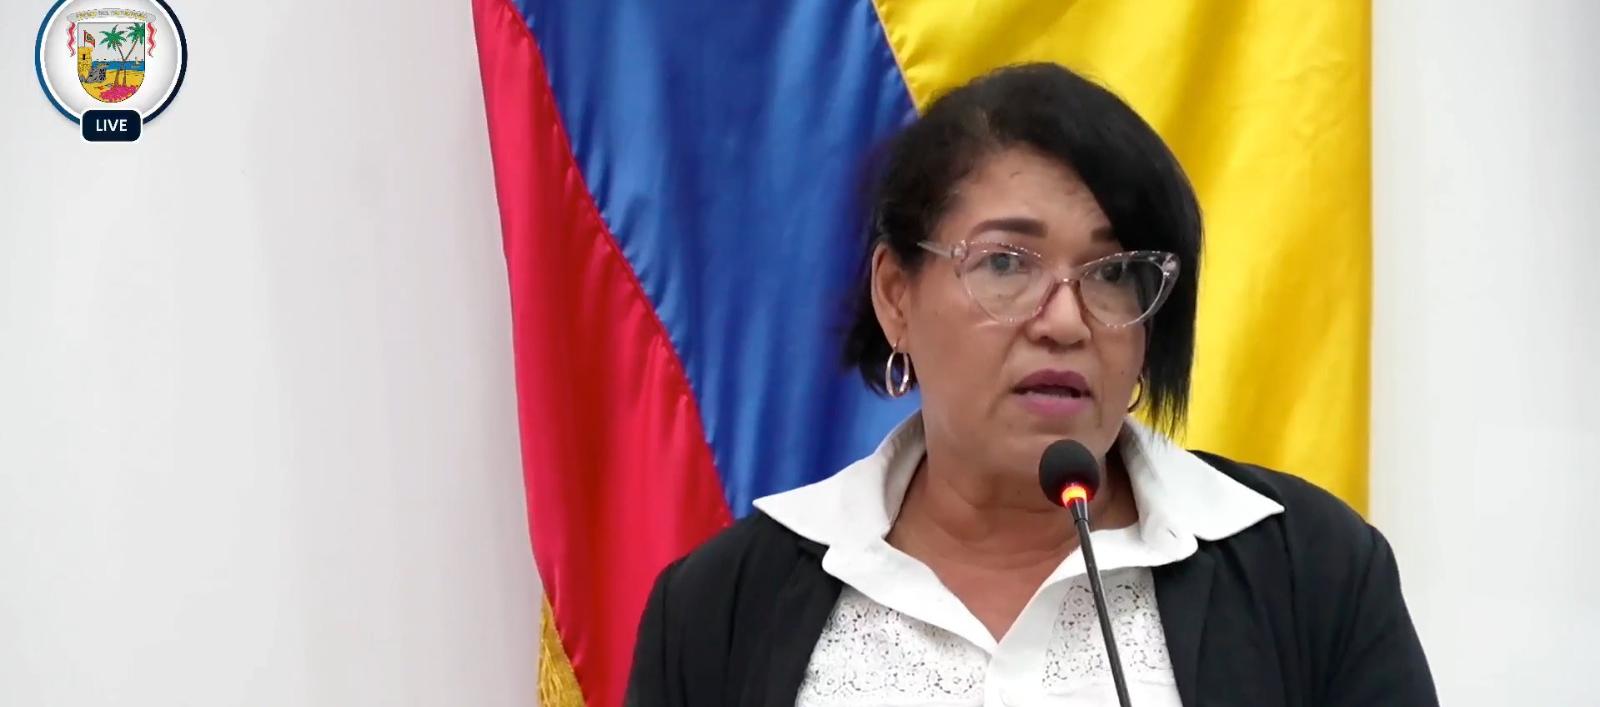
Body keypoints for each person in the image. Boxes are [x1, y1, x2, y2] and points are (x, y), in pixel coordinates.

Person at [625, 62, 1436, 706]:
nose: (1065, 320)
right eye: (1006, 264)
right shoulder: (722, 607)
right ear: (896, 295)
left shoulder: (1310, 571)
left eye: (1113, 273)